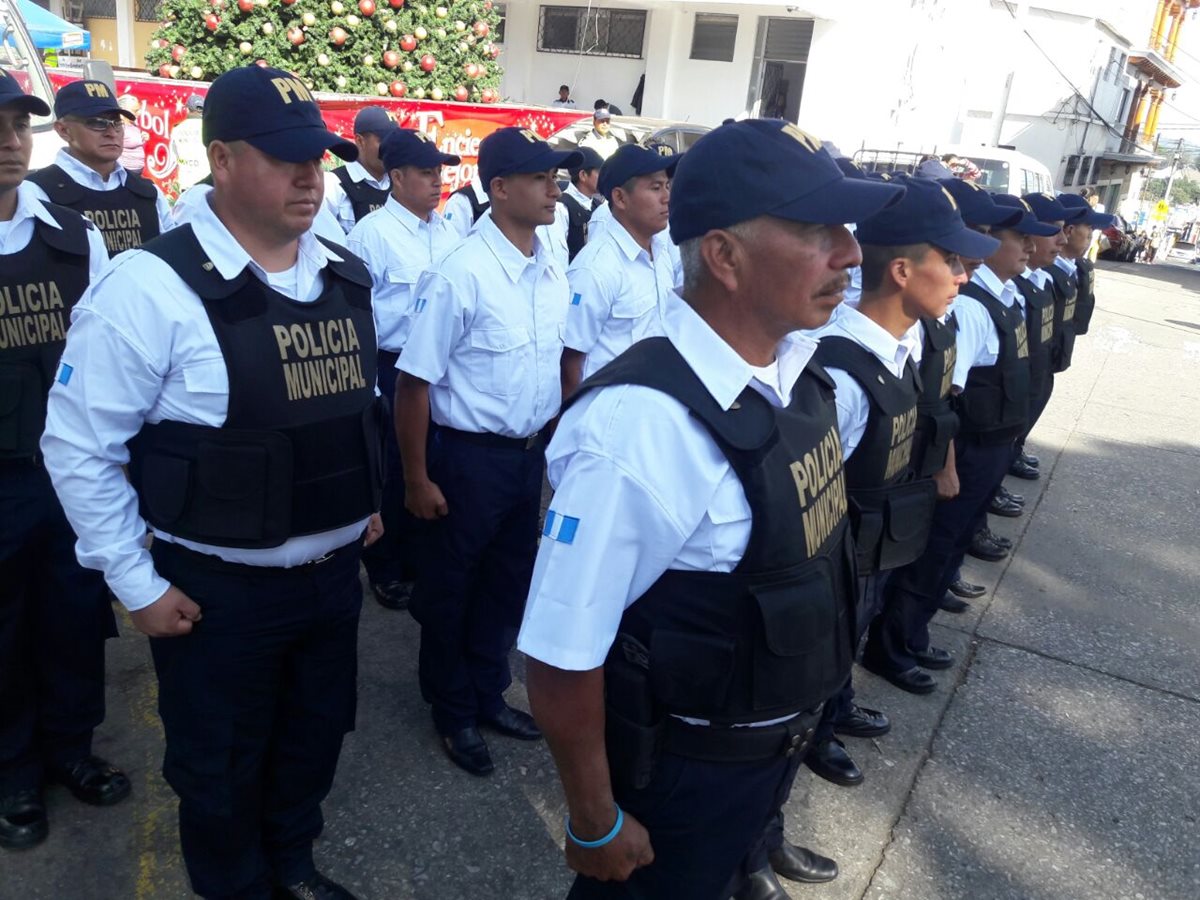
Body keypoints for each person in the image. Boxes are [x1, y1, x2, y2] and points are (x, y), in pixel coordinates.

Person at [517, 119, 904, 900]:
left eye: (845, 228)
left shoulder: (798, 372)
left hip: (765, 758)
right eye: (813, 229)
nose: (850, 252)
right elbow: (561, 652)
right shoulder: (639, 428)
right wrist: (593, 820)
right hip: (685, 778)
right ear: (724, 256)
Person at [41, 65, 385, 900]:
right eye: (285, 158)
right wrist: (136, 583)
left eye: (319, 158)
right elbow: (80, 446)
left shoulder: (342, 275)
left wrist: (366, 505)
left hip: (332, 584)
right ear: (222, 160)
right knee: (220, 767)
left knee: (311, 742)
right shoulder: (149, 288)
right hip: (219, 596)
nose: (311, 177)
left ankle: (292, 867)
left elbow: (353, 408)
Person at [395, 127, 581, 777]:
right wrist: (417, 478)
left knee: (506, 585)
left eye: (554, 176)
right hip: (466, 460)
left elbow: (559, 358)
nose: (552, 187)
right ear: (499, 189)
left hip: (526, 457)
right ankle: (452, 711)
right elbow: (413, 384)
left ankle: (488, 692)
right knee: (452, 589)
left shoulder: (549, 263)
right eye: (538, 178)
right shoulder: (460, 273)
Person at [801, 177, 995, 796]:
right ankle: (811, 736)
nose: (964, 277)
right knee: (815, 663)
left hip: (874, 549)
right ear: (905, 272)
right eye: (953, 262)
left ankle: (833, 708)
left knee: (850, 642)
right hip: (837, 559)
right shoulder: (840, 370)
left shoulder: (902, 347)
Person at [0, 68, 120, 854]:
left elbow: (110, 360)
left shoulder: (74, 236)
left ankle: (71, 749)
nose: (10, 143)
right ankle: (13, 772)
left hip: (67, 474)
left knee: (75, 618)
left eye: (18, 126)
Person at [872, 196, 1056, 696]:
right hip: (962, 449)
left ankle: (909, 632)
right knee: (930, 550)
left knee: (948, 545)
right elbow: (947, 396)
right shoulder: (967, 308)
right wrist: (946, 464)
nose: (1032, 245)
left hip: (988, 444)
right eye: (1017, 237)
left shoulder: (984, 299)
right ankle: (894, 642)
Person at [347, 128, 461, 611]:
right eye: (425, 172)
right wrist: (370, 386)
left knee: (432, 463)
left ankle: (419, 557)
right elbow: (358, 316)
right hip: (393, 367)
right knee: (392, 472)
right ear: (396, 176)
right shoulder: (371, 235)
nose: (437, 181)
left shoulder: (449, 230)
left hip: (442, 367)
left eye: (440, 172)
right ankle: (385, 566)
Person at [560, 144, 677, 397]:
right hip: (602, 421)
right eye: (655, 188)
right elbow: (570, 366)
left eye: (667, 186)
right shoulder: (596, 269)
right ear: (620, 198)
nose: (667, 197)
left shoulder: (660, 254)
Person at [26, 79, 172, 254]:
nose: (111, 133)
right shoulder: (35, 192)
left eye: (117, 123)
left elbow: (172, 257)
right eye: (97, 123)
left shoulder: (149, 192)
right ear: (63, 130)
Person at [323, 106, 396, 233]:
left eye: (395, 141)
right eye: (384, 141)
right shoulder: (333, 186)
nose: (391, 148)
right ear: (360, 141)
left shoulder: (399, 183)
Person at [1058, 193, 1113, 336]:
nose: (1091, 235)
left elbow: (1080, 322)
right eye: (1089, 227)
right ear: (1069, 230)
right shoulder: (1045, 276)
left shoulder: (1082, 268)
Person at [558, 145, 604, 263]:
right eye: (600, 172)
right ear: (583, 175)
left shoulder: (598, 206)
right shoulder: (561, 207)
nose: (604, 177)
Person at [116, 93, 145, 174]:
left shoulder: (133, 124)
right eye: (135, 110)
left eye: (139, 110)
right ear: (123, 110)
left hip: (137, 170)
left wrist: (142, 138)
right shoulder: (119, 127)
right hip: (126, 170)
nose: (139, 113)